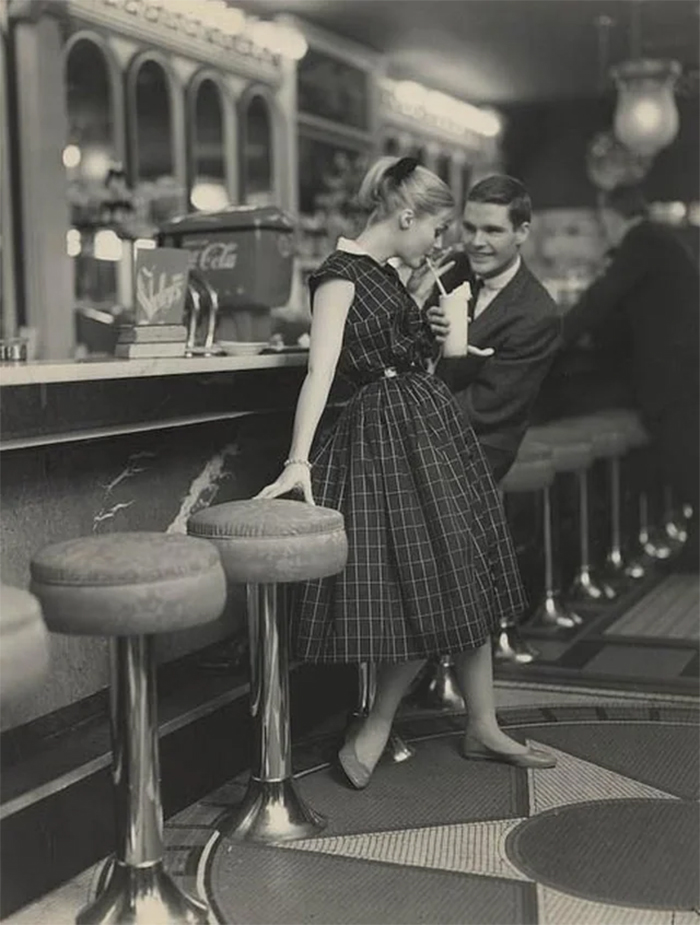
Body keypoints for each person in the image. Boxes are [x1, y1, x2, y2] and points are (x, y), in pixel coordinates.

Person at [256, 156, 555, 789]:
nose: (442, 244)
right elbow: (322, 370)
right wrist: (297, 459)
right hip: (387, 437)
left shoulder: (389, 275)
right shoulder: (338, 275)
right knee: (434, 578)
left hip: (424, 424)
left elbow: (406, 348)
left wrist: (442, 333)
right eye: (438, 230)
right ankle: (383, 723)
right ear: (406, 215)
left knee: (463, 568)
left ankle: (483, 724)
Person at [562, 184, 699, 569]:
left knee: (684, 454)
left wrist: (551, 338)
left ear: (610, 214)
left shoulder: (641, 242)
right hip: (681, 365)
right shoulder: (657, 241)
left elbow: (600, 299)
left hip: (674, 369)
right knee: (685, 453)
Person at [416, 175, 561, 481]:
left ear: (521, 232)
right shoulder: (454, 268)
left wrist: (410, 420)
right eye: (469, 228)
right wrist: (423, 325)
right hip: (431, 426)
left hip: (481, 445)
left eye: (492, 230)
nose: (476, 242)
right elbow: (419, 355)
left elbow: (486, 406)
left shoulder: (537, 313)